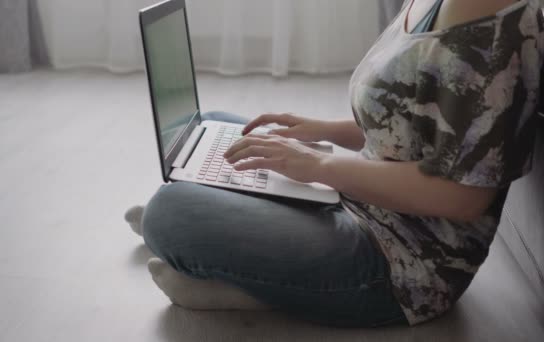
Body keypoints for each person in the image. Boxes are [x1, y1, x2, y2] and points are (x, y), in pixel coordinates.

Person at [125, 0, 544, 327]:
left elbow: (462, 197)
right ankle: (215, 222)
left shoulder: (490, 23)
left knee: (169, 212)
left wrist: (319, 167)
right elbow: (411, 126)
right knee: (218, 127)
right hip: (365, 197)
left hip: (403, 262)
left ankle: (245, 280)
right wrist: (320, 130)